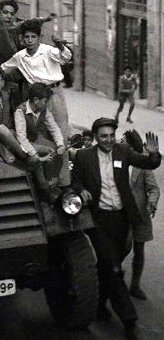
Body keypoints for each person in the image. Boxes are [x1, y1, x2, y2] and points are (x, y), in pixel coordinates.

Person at [72, 118, 161, 340]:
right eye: (104, 136)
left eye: (112, 135)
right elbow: (76, 181)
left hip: (122, 219)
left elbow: (148, 163)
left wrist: (153, 154)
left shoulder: (122, 152)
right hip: (99, 220)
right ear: (95, 137)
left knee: (110, 264)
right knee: (113, 267)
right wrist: (81, 190)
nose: (109, 140)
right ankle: (130, 321)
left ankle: (100, 304)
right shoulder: (84, 157)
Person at [2, 19, 72, 188]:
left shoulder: (47, 50)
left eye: (34, 37)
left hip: (53, 93)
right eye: (27, 37)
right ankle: (46, 180)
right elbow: (3, 68)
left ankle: (63, 181)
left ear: (39, 38)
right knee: (40, 136)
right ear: (22, 39)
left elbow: (65, 57)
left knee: (60, 134)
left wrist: (60, 45)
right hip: (34, 97)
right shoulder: (20, 57)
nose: (30, 40)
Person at [122, 129, 160, 301]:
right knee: (120, 247)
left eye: (123, 141)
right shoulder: (115, 160)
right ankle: (112, 277)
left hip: (139, 213)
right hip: (120, 213)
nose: (119, 143)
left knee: (139, 249)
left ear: (131, 146)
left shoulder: (141, 164)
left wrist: (152, 203)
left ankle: (135, 285)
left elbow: (153, 188)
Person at [14, 84, 66, 200]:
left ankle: (51, 183)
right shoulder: (20, 111)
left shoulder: (44, 111)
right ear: (36, 100)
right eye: (45, 101)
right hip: (22, 146)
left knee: (54, 150)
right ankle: (44, 188)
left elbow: (54, 128)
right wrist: (35, 154)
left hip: (34, 142)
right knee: (42, 156)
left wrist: (60, 144)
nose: (47, 104)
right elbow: (21, 138)